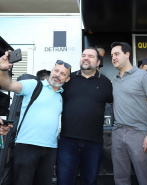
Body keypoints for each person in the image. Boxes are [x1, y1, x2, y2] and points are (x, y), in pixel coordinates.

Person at [0, 52, 71, 185]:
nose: (58, 75)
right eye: (56, 70)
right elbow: (7, 85)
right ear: (52, 70)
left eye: (63, 74)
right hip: (26, 146)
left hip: (50, 149)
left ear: (67, 79)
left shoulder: (61, 97)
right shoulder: (34, 85)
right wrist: (3, 69)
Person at [57, 47, 113, 185]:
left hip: (94, 143)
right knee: (64, 181)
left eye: (91, 56)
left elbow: (114, 104)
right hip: (68, 141)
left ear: (98, 62)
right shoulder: (68, 79)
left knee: (90, 181)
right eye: (83, 55)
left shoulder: (105, 82)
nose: (86, 58)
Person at [110, 42, 147, 185]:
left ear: (127, 54)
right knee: (120, 178)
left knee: (145, 179)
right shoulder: (114, 80)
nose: (113, 58)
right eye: (112, 55)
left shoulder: (144, 76)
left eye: (117, 54)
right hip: (117, 133)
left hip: (139, 134)